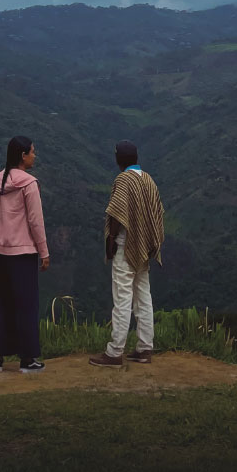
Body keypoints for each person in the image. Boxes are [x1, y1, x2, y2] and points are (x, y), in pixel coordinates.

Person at [90, 140, 164, 368]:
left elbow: (115, 212)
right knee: (143, 296)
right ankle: (144, 348)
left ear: (119, 159)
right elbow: (157, 211)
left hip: (126, 244)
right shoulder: (148, 179)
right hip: (143, 246)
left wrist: (110, 241)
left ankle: (114, 352)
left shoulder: (123, 179)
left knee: (122, 298)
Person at [0, 135, 49, 373]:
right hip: (22, 252)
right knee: (26, 304)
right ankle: (28, 359)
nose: (35, 155)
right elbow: (36, 221)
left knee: (3, 303)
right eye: (32, 152)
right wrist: (43, 251)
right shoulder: (29, 184)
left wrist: (2, 229)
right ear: (23, 156)